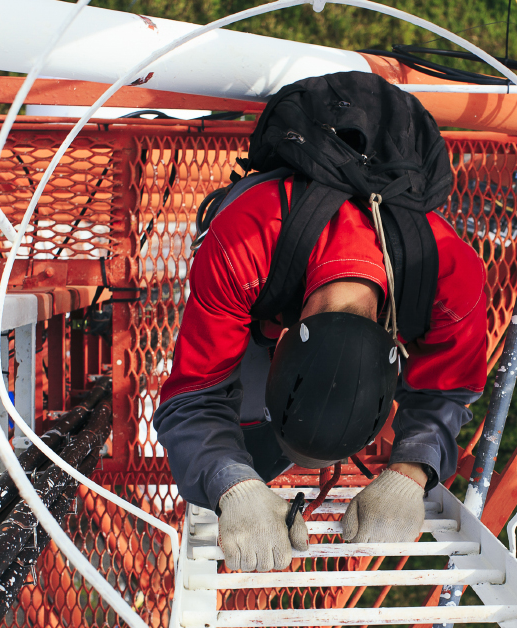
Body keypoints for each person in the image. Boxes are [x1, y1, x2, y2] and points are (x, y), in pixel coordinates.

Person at [152, 72, 488, 573]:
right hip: (267, 256)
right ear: (280, 339)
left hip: (290, 274)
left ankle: (259, 448)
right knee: (247, 448)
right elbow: (194, 392)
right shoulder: (242, 243)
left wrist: (410, 474)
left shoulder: (453, 276)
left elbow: (448, 389)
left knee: (243, 442)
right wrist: (235, 482)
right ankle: (258, 453)